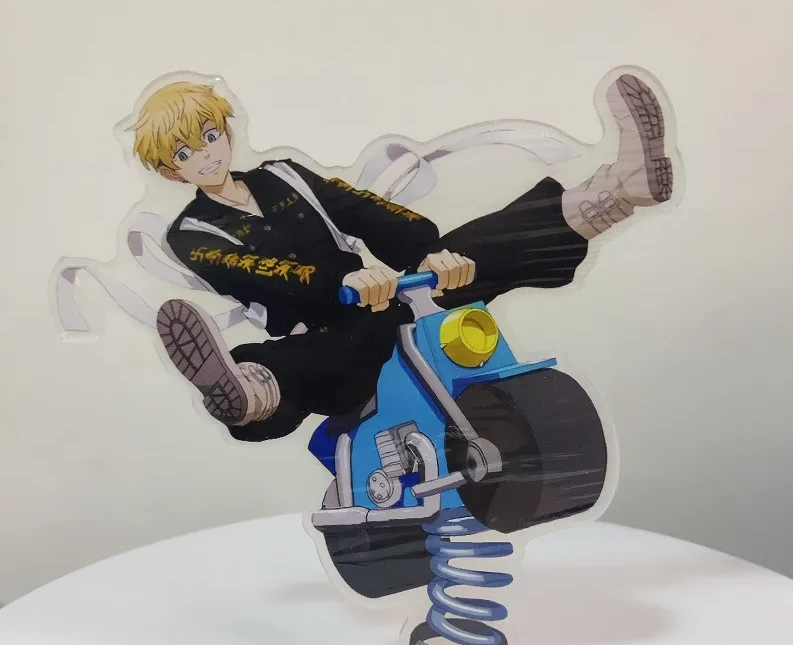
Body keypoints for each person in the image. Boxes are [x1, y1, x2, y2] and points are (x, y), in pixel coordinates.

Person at [133, 75, 673, 441]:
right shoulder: (191, 234)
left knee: (477, 248)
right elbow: (264, 275)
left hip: (389, 297)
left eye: (210, 136)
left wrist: (427, 251)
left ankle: (617, 190)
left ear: (226, 131)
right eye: (185, 153)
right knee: (308, 360)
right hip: (326, 328)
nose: (206, 154)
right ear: (170, 171)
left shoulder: (284, 175)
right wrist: (343, 280)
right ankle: (248, 390)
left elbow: (360, 209)